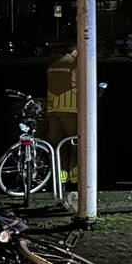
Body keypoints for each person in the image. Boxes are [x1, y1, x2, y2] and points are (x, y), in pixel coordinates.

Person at [45, 47, 79, 185]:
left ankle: (60, 178)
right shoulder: (77, 64)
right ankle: (76, 178)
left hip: (53, 108)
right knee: (76, 145)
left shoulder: (53, 64)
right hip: (71, 109)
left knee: (58, 146)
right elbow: (79, 86)